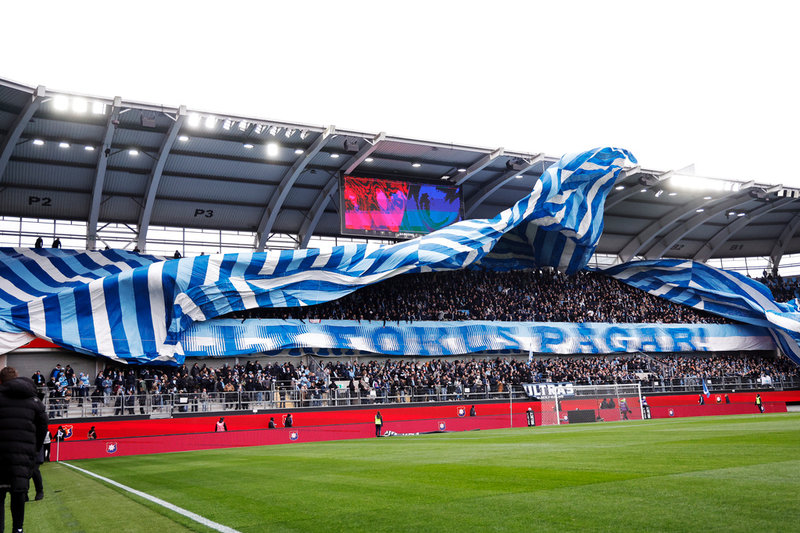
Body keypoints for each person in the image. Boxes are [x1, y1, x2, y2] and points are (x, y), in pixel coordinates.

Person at [0, 366, 48, 533]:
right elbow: (43, 426)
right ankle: (18, 529)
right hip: (23, 455)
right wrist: (34, 449)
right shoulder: (34, 400)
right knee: (18, 493)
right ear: (17, 377)